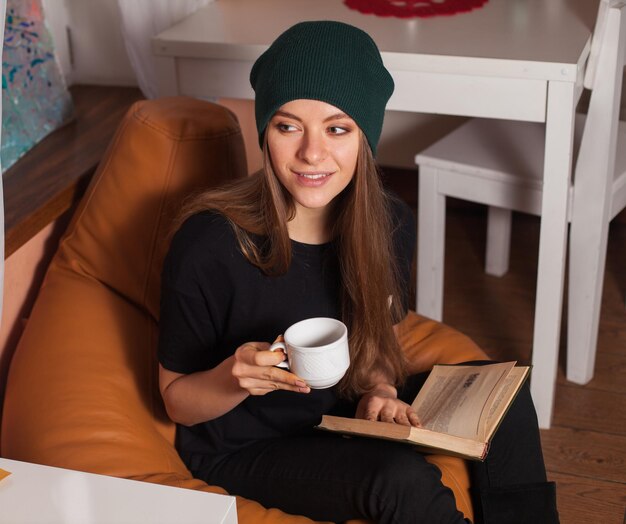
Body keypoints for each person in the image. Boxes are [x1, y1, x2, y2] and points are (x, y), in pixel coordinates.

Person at [157, 20, 559, 523]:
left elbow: (377, 348)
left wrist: (382, 391)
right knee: (400, 480)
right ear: (265, 132)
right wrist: (232, 378)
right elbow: (177, 403)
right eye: (288, 126)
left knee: (508, 394)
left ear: (364, 135)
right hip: (249, 445)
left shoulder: (389, 224)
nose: (311, 153)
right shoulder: (210, 244)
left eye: (337, 128)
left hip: (342, 414)